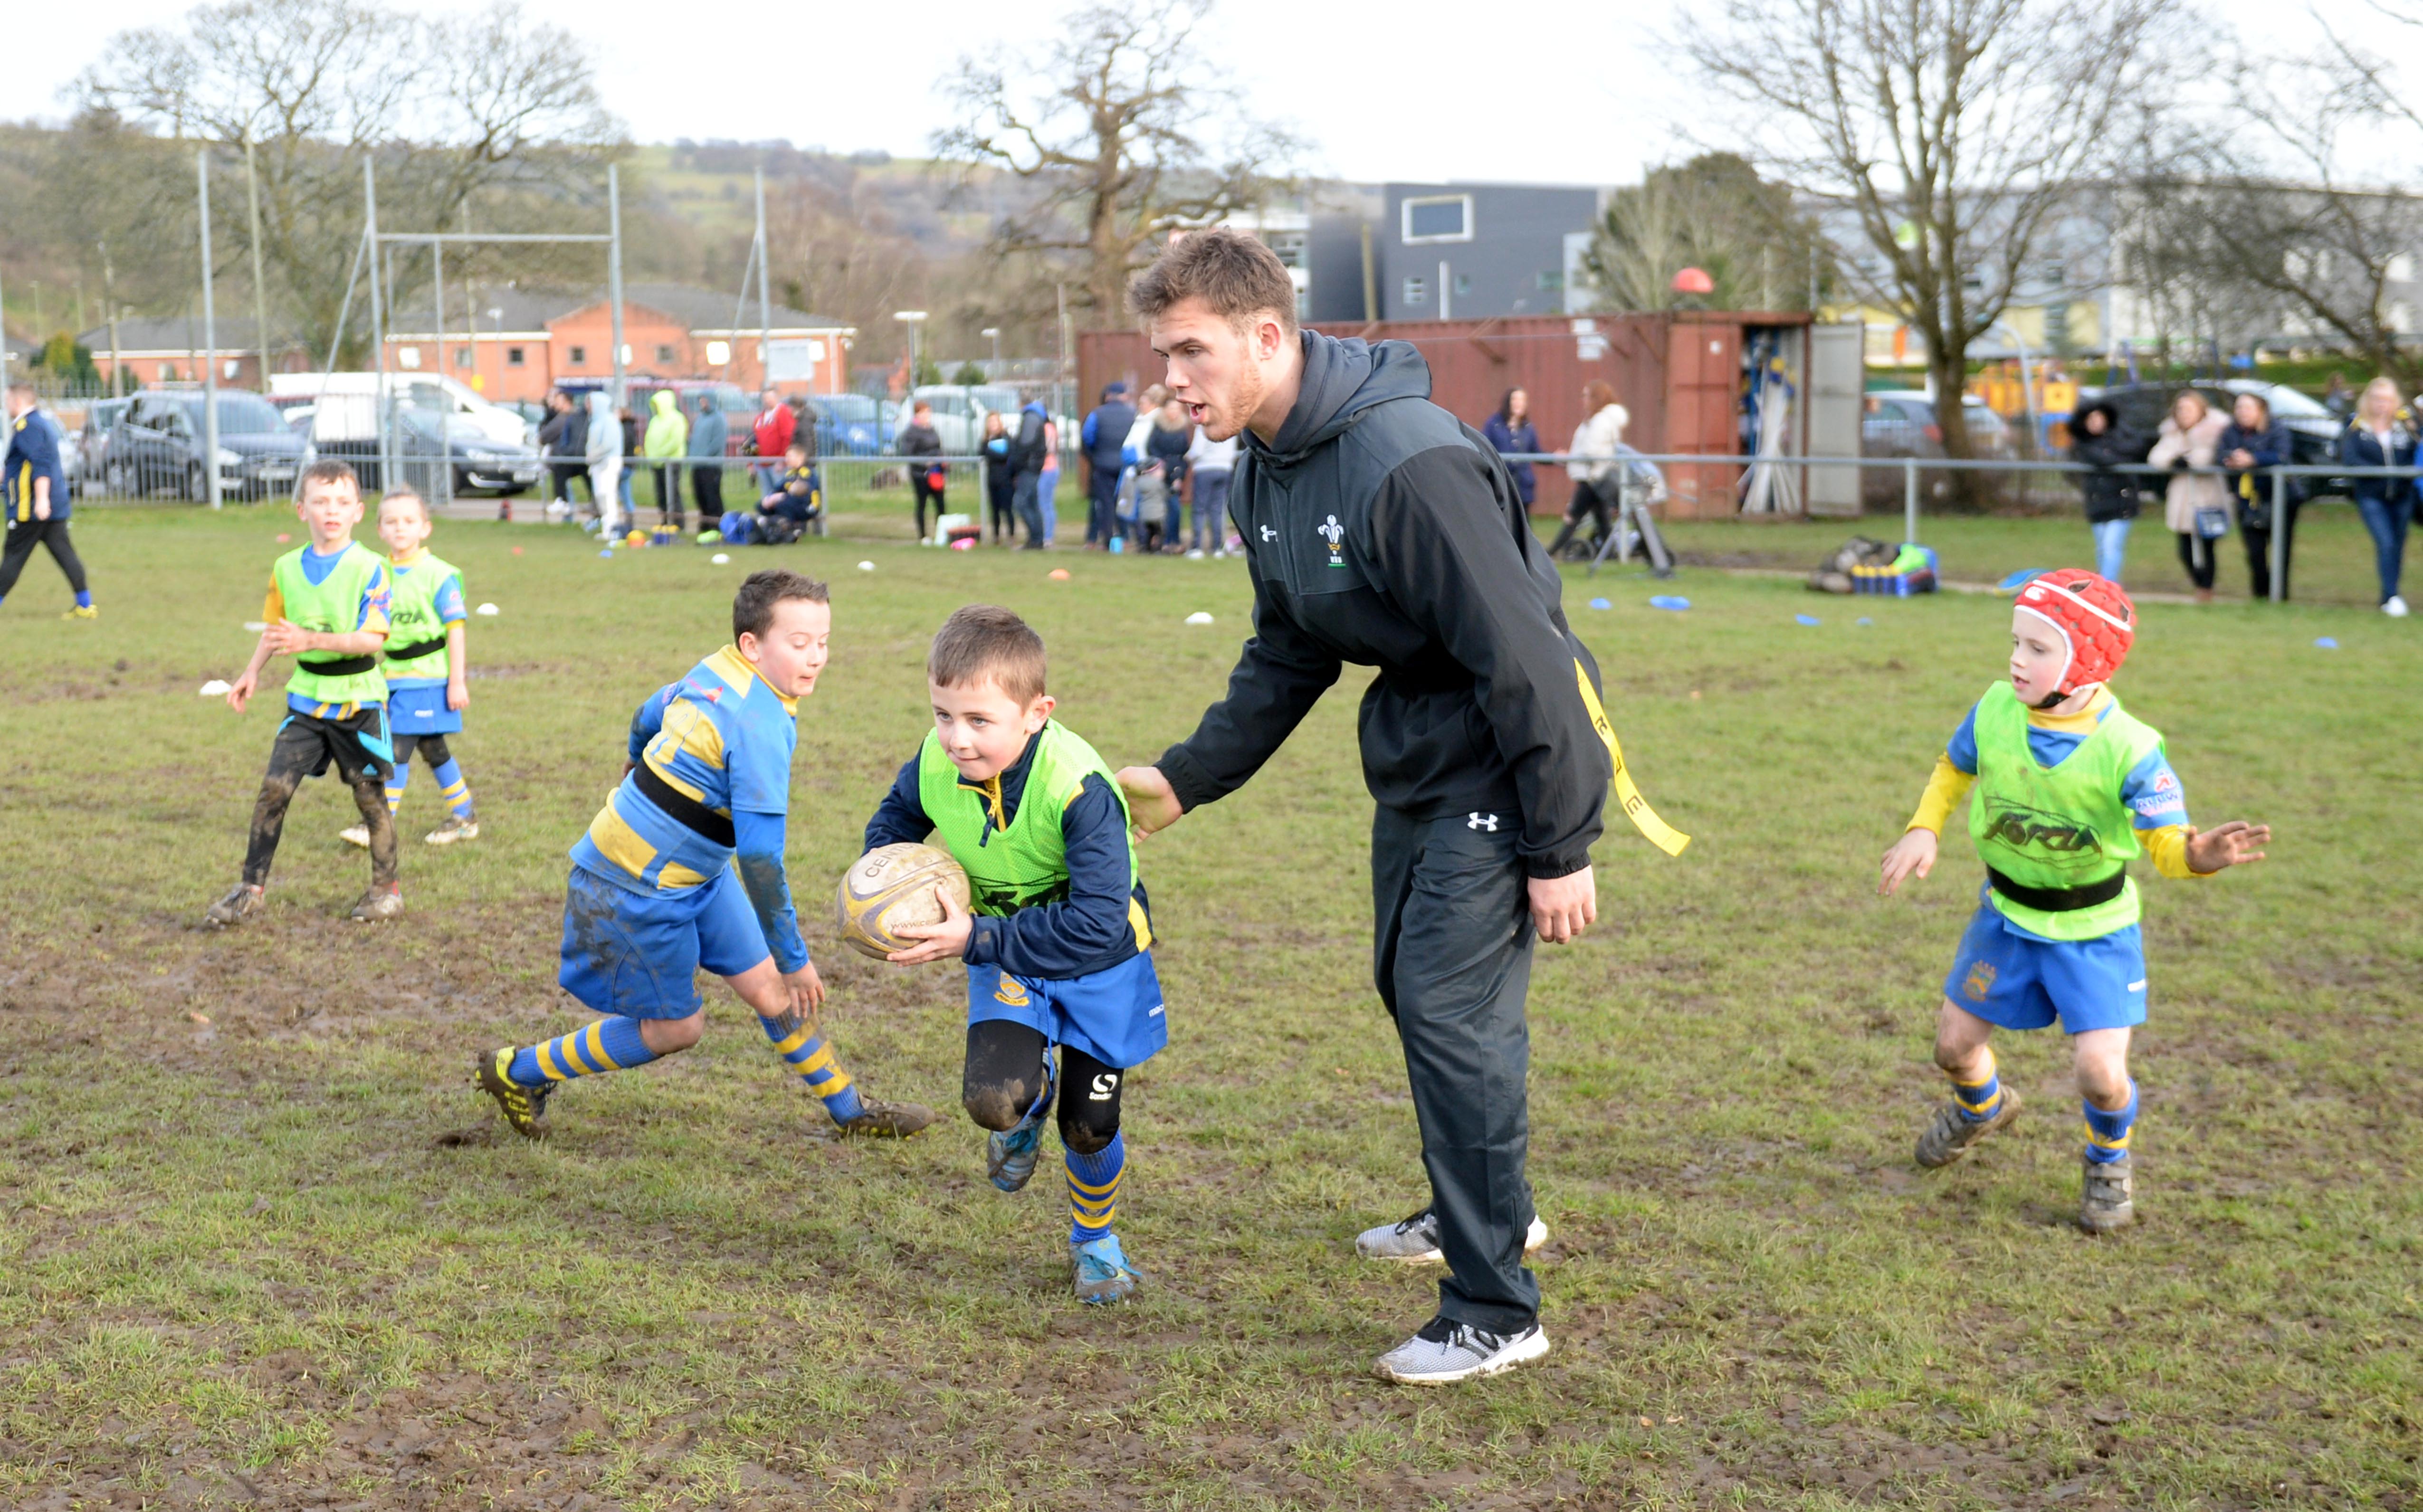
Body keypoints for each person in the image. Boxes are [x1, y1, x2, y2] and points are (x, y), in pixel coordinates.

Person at [1118, 228, 1689, 1385]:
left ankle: (1492, 1306)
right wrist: (1187, 775)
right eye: (1162, 352)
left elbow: (1526, 656)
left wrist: (1560, 841)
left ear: (1266, 337)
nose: (1170, 379)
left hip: (1500, 754)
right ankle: (1490, 1208)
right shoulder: (1270, 468)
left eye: (1190, 350)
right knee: (1413, 987)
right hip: (1421, 759)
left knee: (1446, 1006)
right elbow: (1288, 651)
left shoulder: (1403, 460)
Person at [476, 570, 938, 1141]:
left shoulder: (717, 667)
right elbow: (763, 861)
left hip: (698, 871)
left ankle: (850, 1109)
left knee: (773, 992)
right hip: (634, 884)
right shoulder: (761, 725)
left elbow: (651, 710)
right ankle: (517, 1071)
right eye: (799, 643)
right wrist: (794, 955)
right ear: (753, 644)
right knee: (678, 1027)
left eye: (823, 641)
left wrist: (635, 756)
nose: (817, 657)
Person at [1879, 570, 2270, 1232]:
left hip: (2095, 930)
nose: (2016, 659)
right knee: (1952, 1047)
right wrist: (1924, 825)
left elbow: (2168, 843)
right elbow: (1954, 767)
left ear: (2086, 658)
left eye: (2038, 648)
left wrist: (2198, 857)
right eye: (2015, 642)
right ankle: (1982, 1105)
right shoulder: (1996, 708)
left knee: (2099, 1074)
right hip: (2004, 918)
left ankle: (2108, 1156)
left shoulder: (2132, 747)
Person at [859, 605, 1167, 1304]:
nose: (956, 739)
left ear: (1035, 713)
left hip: (1099, 959)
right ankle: (1028, 1114)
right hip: (1003, 950)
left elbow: (1093, 922)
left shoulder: (1080, 787)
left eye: (978, 720)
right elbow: (897, 815)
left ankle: (1097, 1244)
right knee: (995, 1102)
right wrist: (887, 877)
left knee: (1090, 1128)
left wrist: (975, 938)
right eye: (942, 715)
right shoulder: (936, 759)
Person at [204, 460, 401, 927]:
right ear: (301, 509)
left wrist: (312, 640)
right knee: (274, 790)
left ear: (358, 511)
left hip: (359, 701)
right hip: (306, 703)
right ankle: (250, 889)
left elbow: (374, 639)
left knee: (370, 798)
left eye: (341, 502)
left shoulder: (372, 567)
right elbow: (277, 631)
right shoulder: (286, 568)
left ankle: (385, 890)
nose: (330, 510)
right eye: (320, 501)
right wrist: (251, 671)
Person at [338, 487, 477, 851]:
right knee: (433, 750)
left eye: (409, 521)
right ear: (380, 529)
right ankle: (464, 815)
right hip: (392, 678)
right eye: (391, 521)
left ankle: (379, 824)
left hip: (429, 678)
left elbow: (456, 631)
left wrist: (457, 681)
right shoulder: (377, 573)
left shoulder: (439, 574)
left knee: (395, 748)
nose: (401, 528)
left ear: (425, 528)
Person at [2, 381, 94, 619]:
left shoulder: (29, 427)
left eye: (7, 400)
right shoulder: (36, 424)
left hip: (32, 509)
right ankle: (85, 606)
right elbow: (19, 467)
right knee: (65, 554)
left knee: (13, 556)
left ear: (18, 401)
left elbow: (40, 464)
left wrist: (41, 500)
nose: (5, 404)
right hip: (51, 507)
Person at [2338, 376, 2415, 617]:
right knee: (2386, 542)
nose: (2382, 404)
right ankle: (2392, 596)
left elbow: (2416, 453)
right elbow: (2348, 457)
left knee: (2398, 546)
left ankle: (2388, 596)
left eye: (2388, 400)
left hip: (2403, 495)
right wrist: (2380, 473)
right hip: (2371, 495)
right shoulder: (2357, 427)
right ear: (2368, 400)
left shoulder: (2405, 427)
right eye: (2377, 399)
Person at [2146, 390, 2230, 603]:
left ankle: (2206, 588)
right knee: (2185, 548)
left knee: (2205, 545)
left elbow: (2209, 456)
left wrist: (2192, 461)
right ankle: (2199, 584)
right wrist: (2173, 461)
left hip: (2206, 495)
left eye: (2189, 409)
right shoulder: (2172, 433)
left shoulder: (2215, 431)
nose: (2184, 414)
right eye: (2181, 409)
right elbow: (2157, 456)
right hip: (2183, 496)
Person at [2218, 391, 2297, 601]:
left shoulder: (2276, 429)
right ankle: (2260, 595)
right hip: (2247, 501)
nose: (2242, 412)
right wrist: (2232, 459)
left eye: (2248, 407)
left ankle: (2280, 596)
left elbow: (2282, 455)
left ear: (2261, 410)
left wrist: (2254, 459)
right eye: (2239, 407)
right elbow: (2220, 454)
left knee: (2281, 550)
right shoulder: (2231, 432)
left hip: (2279, 499)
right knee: (2254, 551)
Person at [1547, 382, 1628, 560]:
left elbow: (1592, 450)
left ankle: (1550, 553)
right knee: (1602, 519)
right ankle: (1612, 555)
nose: (1583, 400)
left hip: (1592, 477)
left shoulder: (1600, 421)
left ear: (1595, 398)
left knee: (1573, 516)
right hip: (1595, 475)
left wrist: (1571, 457)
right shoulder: (1599, 420)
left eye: (1586, 396)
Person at [2068, 399, 2143, 583]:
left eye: (2099, 418)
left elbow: (2136, 447)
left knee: (2111, 547)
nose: (2095, 423)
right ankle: (2106, 586)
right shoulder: (2083, 445)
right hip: (2098, 503)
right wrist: (2114, 455)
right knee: (2102, 547)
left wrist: (2114, 452)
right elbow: (2102, 458)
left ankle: (2106, 589)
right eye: (2090, 419)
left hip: (2122, 502)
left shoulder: (2122, 437)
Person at [1080, 383, 1136, 548]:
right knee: (1124, 501)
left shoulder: (1096, 414)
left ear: (1108, 396)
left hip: (1103, 464)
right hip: (1125, 465)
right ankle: (1125, 537)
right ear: (1124, 396)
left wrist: (1096, 456)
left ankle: (1107, 540)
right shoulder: (1133, 414)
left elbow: (1087, 438)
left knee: (1105, 504)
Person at [1142, 397, 1191, 552]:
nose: (1174, 412)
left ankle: (1174, 541)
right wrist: (1159, 467)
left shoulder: (1183, 427)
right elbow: (1151, 448)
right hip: (1160, 473)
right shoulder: (1158, 427)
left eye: (1177, 409)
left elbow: (1184, 453)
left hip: (1175, 474)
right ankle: (1156, 541)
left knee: (1175, 508)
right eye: (1171, 409)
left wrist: (1180, 475)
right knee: (1157, 509)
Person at [1184, 417, 1239, 556]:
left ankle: (1197, 547)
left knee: (1200, 508)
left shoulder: (1203, 427)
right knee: (1218, 509)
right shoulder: (1228, 425)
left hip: (1205, 468)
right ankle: (1217, 547)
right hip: (1224, 468)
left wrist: (1187, 457)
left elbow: (1197, 451)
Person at [1481, 387, 1541, 511]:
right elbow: (1485, 446)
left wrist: (1555, 458)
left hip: (1523, 484)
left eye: (1522, 400)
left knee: (1523, 523)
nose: (1519, 403)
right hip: (1502, 481)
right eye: (1515, 399)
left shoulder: (1528, 428)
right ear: (1508, 402)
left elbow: (1536, 452)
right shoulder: (1494, 424)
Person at [752, 442, 823, 542]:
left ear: (801, 457)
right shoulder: (790, 474)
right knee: (761, 506)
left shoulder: (808, 474)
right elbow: (777, 489)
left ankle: (788, 532)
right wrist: (769, 499)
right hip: (789, 505)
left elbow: (804, 496)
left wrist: (782, 497)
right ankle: (770, 528)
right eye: (787, 457)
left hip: (807, 508)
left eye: (790, 456)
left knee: (784, 504)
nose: (787, 459)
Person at [642, 390, 688, 534]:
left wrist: (661, 455)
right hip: (657, 463)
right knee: (661, 493)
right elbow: (649, 439)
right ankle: (665, 520)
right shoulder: (655, 420)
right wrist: (651, 455)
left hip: (671, 462)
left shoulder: (677, 419)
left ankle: (678, 523)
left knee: (673, 492)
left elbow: (675, 441)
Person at [899, 400, 945, 542]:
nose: (927, 415)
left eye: (928, 412)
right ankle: (923, 536)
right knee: (922, 504)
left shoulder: (932, 429)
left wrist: (941, 459)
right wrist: (924, 463)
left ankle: (941, 534)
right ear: (917, 414)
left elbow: (938, 447)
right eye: (924, 412)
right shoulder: (911, 432)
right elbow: (907, 453)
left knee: (941, 504)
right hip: (920, 474)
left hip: (936, 473)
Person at [688, 392, 729, 543]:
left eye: (705, 400)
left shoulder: (718, 418)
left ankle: (717, 527)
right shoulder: (701, 418)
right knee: (700, 497)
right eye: (701, 400)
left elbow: (717, 442)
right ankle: (705, 525)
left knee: (712, 497)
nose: (702, 403)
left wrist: (705, 456)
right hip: (697, 465)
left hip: (711, 466)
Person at [1009, 398, 1050, 549]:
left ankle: (1035, 538)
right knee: (1033, 503)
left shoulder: (1030, 417)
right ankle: (1037, 540)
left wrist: (1015, 456)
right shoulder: (1038, 416)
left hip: (1029, 466)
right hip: (1035, 466)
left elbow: (1026, 443)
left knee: (1021, 503)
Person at [538, 390, 586, 511]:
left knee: (564, 485)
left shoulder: (564, 419)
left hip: (567, 456)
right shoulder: (571, 416)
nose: (555, 404)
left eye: (558, 401)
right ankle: (567, 513)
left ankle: (568, 514)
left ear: (566, 403)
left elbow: (543, 436)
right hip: (569, 455)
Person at [583, 391, 623, 536]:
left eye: (590, 403)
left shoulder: (609, 421)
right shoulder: (596, 421)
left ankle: (612, 528)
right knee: (601, 496)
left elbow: (608, 444)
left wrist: (593, 455)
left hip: (608, 463)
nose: (588, 407)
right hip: (598, 464)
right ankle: (607, 528)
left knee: (608, 495)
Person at [983, 411, 1019, 545]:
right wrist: (992, 452)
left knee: (1008, 509)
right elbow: (981, 452)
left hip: (1006, 480)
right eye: (990, 422)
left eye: (995, 422)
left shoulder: (1006, 438)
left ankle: (1011, 535)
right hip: (992, 480)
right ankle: (996, 536)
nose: (992, 425)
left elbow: (1005, 455)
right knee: (995, 510)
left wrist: (991, 452)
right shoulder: (986, 440)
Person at [751, 387, 794, 497]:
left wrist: (782, 460)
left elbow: (788, 437)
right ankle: (769, 514)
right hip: (762, 464)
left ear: (777, 398)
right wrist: (751, 462)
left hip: (777, 463)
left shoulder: (783, 413)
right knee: (767, 495)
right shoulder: (760, 418)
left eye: (770, 398)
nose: (767, 401)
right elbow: (754, 440)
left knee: (780, 493)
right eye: (765, 398)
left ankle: (781, 514)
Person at [1036, 412, 1062, 547]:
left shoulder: (1046, 429)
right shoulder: (1051, 427)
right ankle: (1047, 535)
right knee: (1046, 503)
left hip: (1048, 468)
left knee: (1045, 504)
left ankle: (1048, 536)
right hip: (1051, 468)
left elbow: (1046, 449)